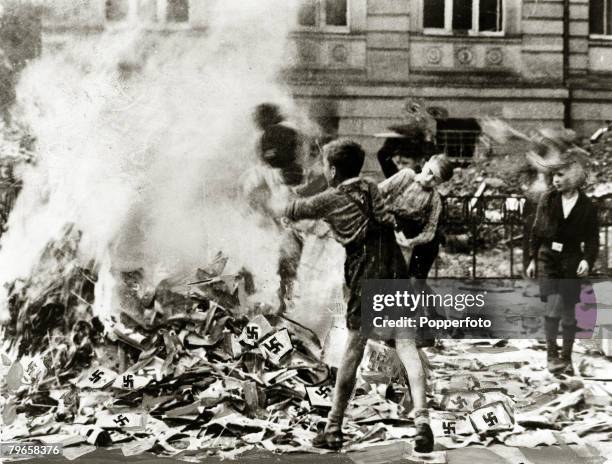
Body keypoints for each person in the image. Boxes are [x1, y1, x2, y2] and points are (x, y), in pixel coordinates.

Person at [271, 139, 434, 453]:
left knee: (353, 350)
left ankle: (333, 427)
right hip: (395, 267)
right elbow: (386, 210)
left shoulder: (333, 198)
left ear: (332, 169)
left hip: (366, 271)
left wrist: (274, 195)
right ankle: (422, 422)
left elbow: (295, 209)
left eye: (325, 166)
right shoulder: (371, 187)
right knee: (405, 344)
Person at [526, 148, 599, 375]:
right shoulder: (548, 199)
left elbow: (593, 238)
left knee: (569, 310)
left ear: (574, 177)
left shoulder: (587, 206)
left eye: (561, 176)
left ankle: (566, 358)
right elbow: (537, 230)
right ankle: (551, 354)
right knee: (554, 305)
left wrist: (588, 260)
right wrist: (531, 259)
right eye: (554, 176)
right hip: (548, 257)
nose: (556, 180)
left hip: (571, 259)